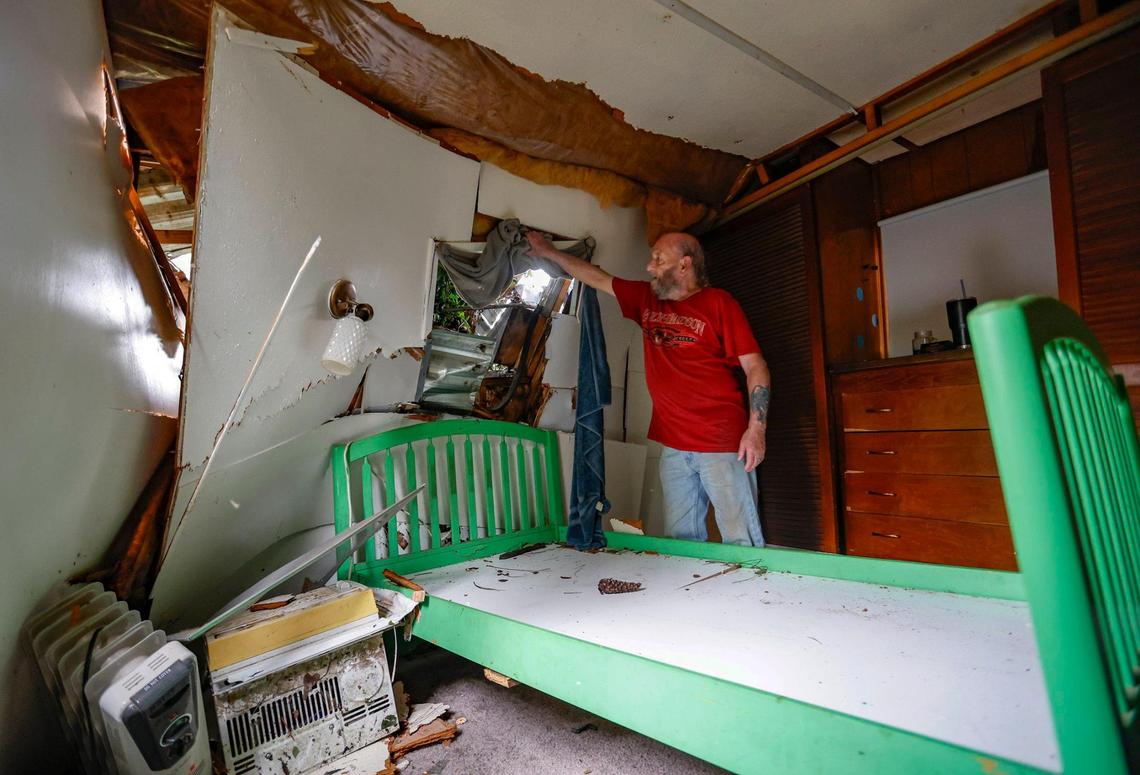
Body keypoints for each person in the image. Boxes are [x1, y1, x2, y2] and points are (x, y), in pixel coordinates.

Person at [526, 230, 770, 546]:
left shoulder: (718, 304)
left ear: (685, 265)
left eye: (658, 259)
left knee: (742, 540)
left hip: (721, 441)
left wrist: (756, 430)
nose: (649, 267)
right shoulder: (646, 300)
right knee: (680, 543)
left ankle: (750, 594)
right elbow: (597, 278)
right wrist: (548, 251)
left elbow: (756, 367)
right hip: (674, 444)